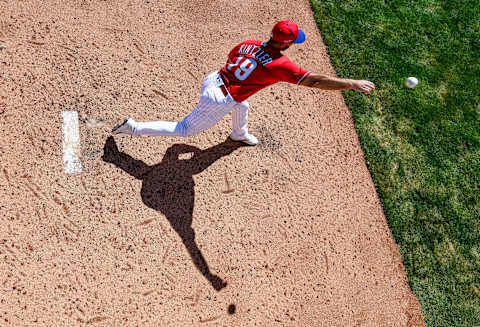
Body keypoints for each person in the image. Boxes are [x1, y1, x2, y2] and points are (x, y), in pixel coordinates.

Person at [112, 20, 375, 145]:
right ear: (284, 42)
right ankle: (133, 128)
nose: (293, 43)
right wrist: (350, 83)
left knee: (242, 106)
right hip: (219, 98)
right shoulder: (280, 64)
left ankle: (238, 134)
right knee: (184, 130)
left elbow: (232, 55)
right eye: (293, 40)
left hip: (214, 79)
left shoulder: (248, 43)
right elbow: (313, 81)